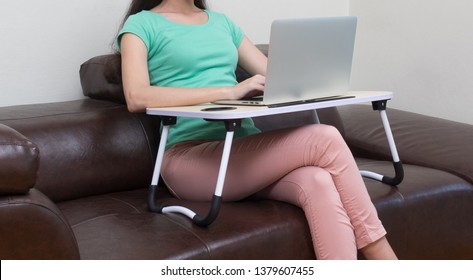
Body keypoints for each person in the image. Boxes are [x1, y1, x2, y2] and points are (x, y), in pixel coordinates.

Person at [117, 0, 397, 260]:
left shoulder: (222, 23)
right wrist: (230, 91)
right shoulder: (141, 25)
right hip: (189, 159)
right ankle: (382, 256)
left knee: (318, 181)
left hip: (242, 154)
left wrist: (315, 73)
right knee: (324, 138)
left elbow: (278, 76)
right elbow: (137, 96)